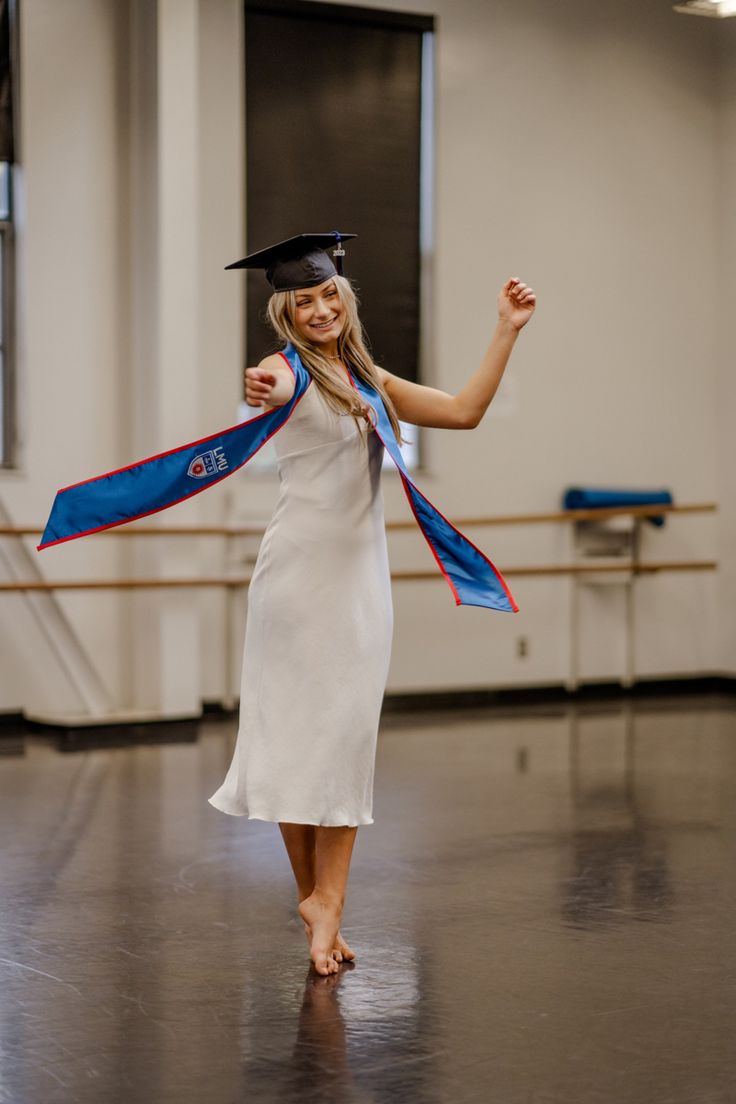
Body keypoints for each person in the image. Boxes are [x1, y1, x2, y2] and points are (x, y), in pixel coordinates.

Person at [208, 232, 536, 976]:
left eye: (328, 294)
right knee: (296, 742)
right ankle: (322, 906)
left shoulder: (369, 380)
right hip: (293, 584)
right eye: (304, 300)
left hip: (356, 588)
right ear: (286, 315)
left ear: (344, 298)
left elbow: (462, 412)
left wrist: (504, 332)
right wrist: (259, 388)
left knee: (343, 738)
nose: (320, 307)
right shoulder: (286, 373)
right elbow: (269, 386)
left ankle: (321, 906)